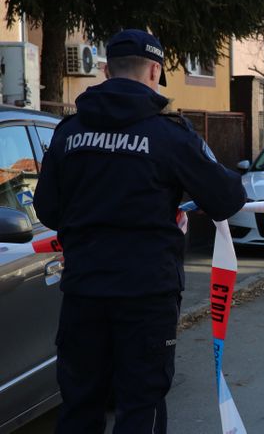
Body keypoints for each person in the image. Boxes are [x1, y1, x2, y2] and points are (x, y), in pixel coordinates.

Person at [33, 29, 246, 433]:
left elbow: (47, 210)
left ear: (107, 70)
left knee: (80, 405)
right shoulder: (169, 134)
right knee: (139, 406)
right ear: (154, 71)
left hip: (83, 292)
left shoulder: (68, 132)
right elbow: (226, 198)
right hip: (146, 296)